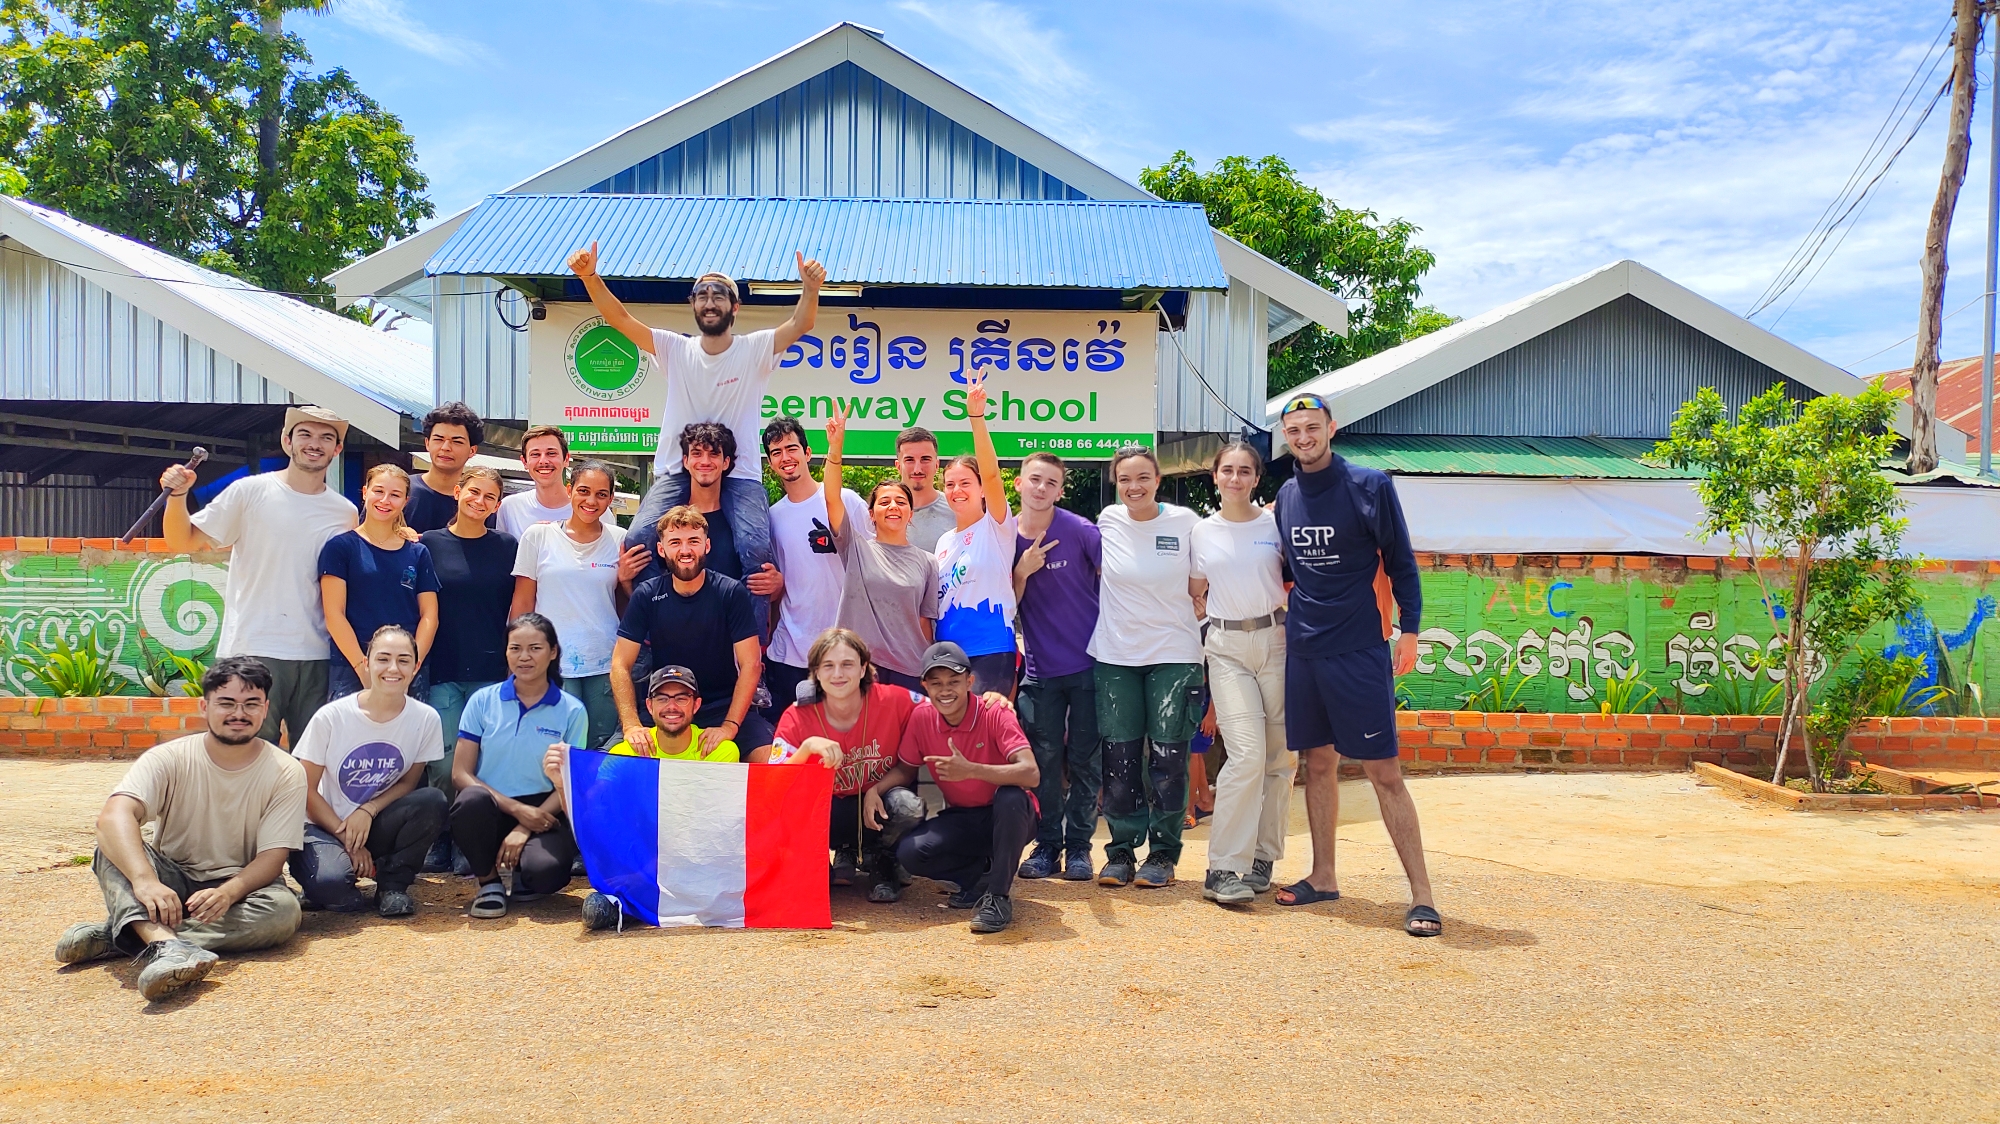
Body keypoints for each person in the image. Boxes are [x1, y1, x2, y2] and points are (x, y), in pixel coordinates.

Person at [1271, 394, 1440, 937]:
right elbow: (1286, 571)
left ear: (1331, 428)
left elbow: (1402, 562)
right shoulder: (1286, 496)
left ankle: (1422, 896)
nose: (1303, 437)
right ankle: (1323, 877)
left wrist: (1409, 631)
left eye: (1312, 427)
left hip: (1359, 649)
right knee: (1317, 765)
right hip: (1305, 650)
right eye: (1294, 430)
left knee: (1384, 773)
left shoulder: (1371, 486)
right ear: (1286, 436)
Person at [567, 242, 825, 595]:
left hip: (741, 473)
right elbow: (621, 320)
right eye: (702, 295)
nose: (709, 301)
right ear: (693, 305)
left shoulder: (754, 349)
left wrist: (810, 287)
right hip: (678, 470)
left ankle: (750, 629)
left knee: (755, 547)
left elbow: (801, 323)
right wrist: (589, 277)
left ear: (735, 307)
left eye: (719, 296)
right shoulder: (675, 348)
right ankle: (653, 616)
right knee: (640, 538)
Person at [55, 657, 306, 1003]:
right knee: (111, 846)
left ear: (265, 709)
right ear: (205, 706)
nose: (239, 713)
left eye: (251, 704)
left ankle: (131, 934)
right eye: (227, 703)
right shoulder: (169, 757)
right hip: (170, 879)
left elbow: (273, 857)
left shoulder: (286, 771)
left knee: (283, 913)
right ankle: (168, 947)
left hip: (241, 887)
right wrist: (145, 881)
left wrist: (228, 893)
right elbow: (113, 816)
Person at [160, 405, 357, 746]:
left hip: (318, 653)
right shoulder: (249, 491)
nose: (315, 444)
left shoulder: (345, 512)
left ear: (337, 449)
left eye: (326, 438)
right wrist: (177, 497)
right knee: (246, 751)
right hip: (252, 646)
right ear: (287, 441)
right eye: (305, 434)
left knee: (314, 755)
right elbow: (182, 541)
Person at [1088, 445, 1204, 890]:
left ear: (1157, 480)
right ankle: (1120, 851)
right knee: (1119, 759)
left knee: (1169, 758)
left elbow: (1209, 571)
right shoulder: (1108, 521)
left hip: (1174, 654)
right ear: (1115, 483)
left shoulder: (1185, 522)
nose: (1133, 486)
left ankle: (1163, 854)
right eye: (1125, 479)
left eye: (1142, 478)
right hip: (1116, 656)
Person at [864, 642, 1037, 934]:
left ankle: (998, 897)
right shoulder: (922, 717)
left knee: (1011, 796)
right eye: (936, 683)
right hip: (963, 816)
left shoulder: (995, 712)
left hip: (1009, 816)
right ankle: (981, 877)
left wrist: (972, 770)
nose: (945, 690)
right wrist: (875, 790)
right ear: (925, 686)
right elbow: (906, 769)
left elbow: (1031, 774)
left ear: (970, 681)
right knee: (912, 853)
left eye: (954, 681)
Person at [1189, 439, 1294, 905]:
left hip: (1276, 641)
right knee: (1247, 755)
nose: (1235, 478)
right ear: (1215, 477)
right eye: (1227, 470)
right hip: (1227, 646)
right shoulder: (1201, 532)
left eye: (1244, 471)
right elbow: (1195, 589)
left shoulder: (1275, 525)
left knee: (1281, 758)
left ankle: (1262, 857)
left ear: (1256, 478)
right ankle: (1222, 869)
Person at [288, 626, 448, 916]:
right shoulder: (331, 717)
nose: (393, 668)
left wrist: (368, 810)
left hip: (374, 823)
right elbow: (305, 788)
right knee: (332, 885)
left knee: (432, 800)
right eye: (383, 659)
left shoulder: (426, 719)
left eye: (403, 660)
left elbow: (408, 784)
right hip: (323, 823)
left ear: (416, 667)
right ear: (366, 663)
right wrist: (346, 838)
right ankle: (327, 883)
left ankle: (392, 886)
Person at [449, 614, 590, 920]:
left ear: (553, 652)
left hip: (545, 809)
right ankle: (489, 882)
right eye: (515, 648)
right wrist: (517, 811)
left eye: (535, 648)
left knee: (546, 873)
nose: (524, 657)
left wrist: (526, 825)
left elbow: (570, 778)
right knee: (469, 801)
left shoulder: (572, 710)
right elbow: (460, 774)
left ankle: (524, 870)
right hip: (490, 803)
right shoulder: (482, 701)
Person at [773, 629, 925, 902]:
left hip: (874, 810)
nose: (838, 674)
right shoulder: (797, 715)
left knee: (907, 805)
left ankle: (884, 862)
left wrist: (990, 704)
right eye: (828, 666)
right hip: (824, 815)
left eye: (847, 664)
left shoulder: (892, 699)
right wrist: (807, 747)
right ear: (816, 672)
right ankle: (817, 860)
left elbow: (944, 711)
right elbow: (774, 783)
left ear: (863, 668)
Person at [611, 506, 774, 761]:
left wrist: (729, 726)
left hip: (722, 706)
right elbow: (620, 664)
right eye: (675, 542)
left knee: (771, 761)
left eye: (693, 541)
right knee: (610, 763)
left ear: (707, 546)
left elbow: (751, 663)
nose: (685, 550)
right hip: (666, 705)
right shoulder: (647, 594)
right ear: (661, 549)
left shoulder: (730, 592)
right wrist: (631, 725)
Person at [509, 460, 651, 749]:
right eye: (583, 491)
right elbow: (523, 603)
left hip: (605, 663)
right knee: (554, 749)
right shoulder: (538, 536)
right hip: (551, 663)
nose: (591, 501)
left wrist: (625, 581)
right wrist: (516, 659)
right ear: (569, 490)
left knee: (601, 748)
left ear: (610, 499)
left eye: (601, 494)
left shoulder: (621, 540)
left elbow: (626, 609)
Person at [1010, 452, 1103, 883]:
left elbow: (1118, 580)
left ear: (1060, 491)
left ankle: (1080, 847)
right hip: (1040, 670)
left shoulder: (1081, 530)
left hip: (1089, 666)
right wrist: (1022, 572)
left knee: (1084, 760)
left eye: (1050, 482)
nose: (1041, 488)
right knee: (1044, 761)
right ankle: (1047, 844)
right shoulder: (1004, 536)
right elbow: (1005, 602)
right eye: (1034, 479)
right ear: (1018, 483)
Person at [822, 407, 939, 691]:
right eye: (884, 502)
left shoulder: (928, 562)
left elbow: (925, 623)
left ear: (910, 514)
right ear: (871, 514)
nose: (893, 507)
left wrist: (929, 669)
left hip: (910, 672)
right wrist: (835, 448)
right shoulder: (855, 548)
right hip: (859, 668)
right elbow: (832, 498)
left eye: (901, 502)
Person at [764, 414, 872, 711]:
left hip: (844, 649)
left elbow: (876, 564)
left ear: (808, 453)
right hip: (789, 652)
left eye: (792, 448)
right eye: (777, 452)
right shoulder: (773, 517)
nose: (786, 457)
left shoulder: (847, 501)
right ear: (771, 463)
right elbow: (779, 585)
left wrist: (839, 542)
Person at [419, 466, 518, 779]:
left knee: (488, 765)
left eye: (489, 497)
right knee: (444, 766)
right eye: (474, 491)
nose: (479, 501)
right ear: (457, 492)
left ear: (497, 505)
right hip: (442, 672)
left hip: (491, 672)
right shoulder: (428, 543)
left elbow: (518, 609)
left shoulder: (508, 547)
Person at [319, 463, 440, 703]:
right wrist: (363, 669)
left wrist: (411, 665)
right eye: (378, 491)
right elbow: (334, 614)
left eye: (395, 495)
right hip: (352, 666)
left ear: (405, 501)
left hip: (407, 669)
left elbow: (429, 616)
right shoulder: (341, 547)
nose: (385, 500)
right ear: (365, 492)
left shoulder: (417, 552)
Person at [932, 378, 1018, 696]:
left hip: (991, 649)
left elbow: (992, 472)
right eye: (950, 484)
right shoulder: (943, 542)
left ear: (982, 489)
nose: (957, 490)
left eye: (965, 483)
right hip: (947, 654)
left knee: (983, 725)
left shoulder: (996, 526)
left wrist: (976, 418)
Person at [498, 425, 601, 537]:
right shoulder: (509, 508)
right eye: (535, 454)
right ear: (524, 462)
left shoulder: (593, 509)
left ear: (566, 459)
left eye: (551, 453)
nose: (543, 461)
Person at [405, 401, 491, 533]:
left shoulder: (479, 502)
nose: (445, 448)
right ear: (427, 443)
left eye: (457, 442)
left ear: (472, 450)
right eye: (438, 439)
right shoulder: (401, 490)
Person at [897, 426, 958, 552]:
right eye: (909, 460)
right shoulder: (881, 513)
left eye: (925, 459)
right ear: (898, 466)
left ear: (936, 465)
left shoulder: (956, 510)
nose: (917, 469)